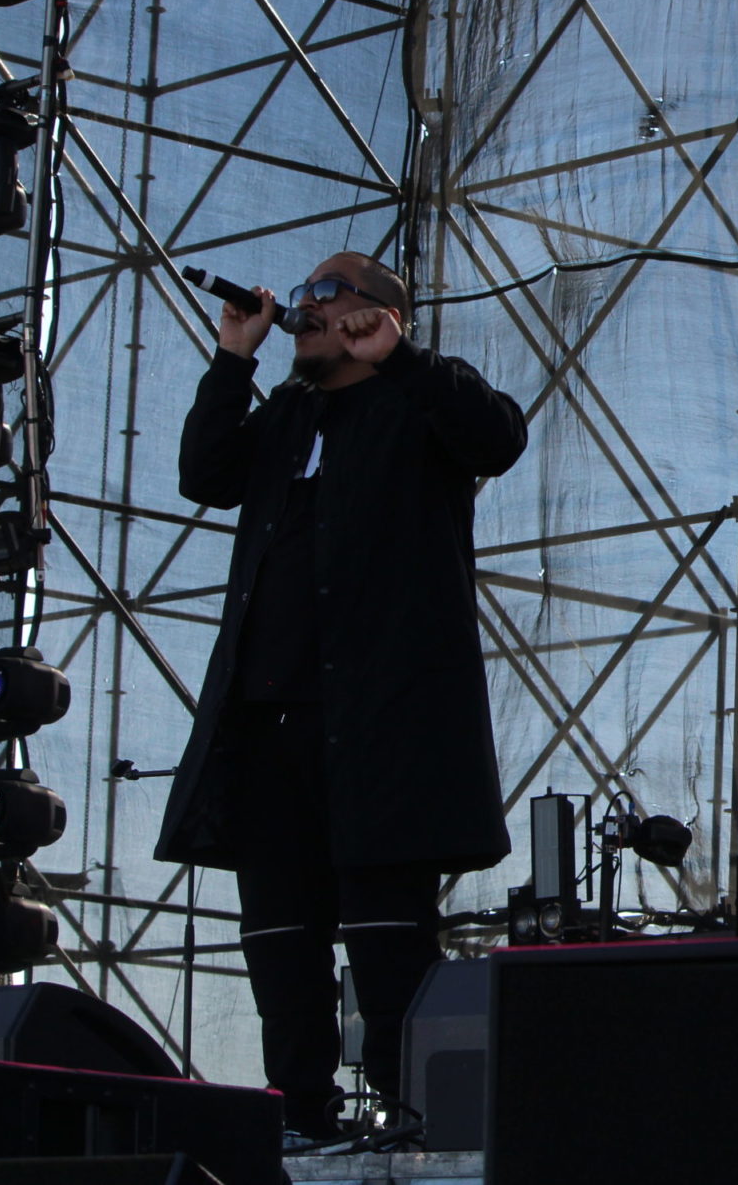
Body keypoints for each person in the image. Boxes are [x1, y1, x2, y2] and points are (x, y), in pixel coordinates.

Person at [154, 252, 526, 1141]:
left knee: (387, 935)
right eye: (304, 294)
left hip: (382, 726)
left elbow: (499, 438)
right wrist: (234, 358)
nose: (306, 307)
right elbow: (205, 474)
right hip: (266, 725)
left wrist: (401, 357)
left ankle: (408, 1117)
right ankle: (298, 1115)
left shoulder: (418, 397)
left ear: (379, 314)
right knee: (278, 937)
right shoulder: (288, 415)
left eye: (328, 292)